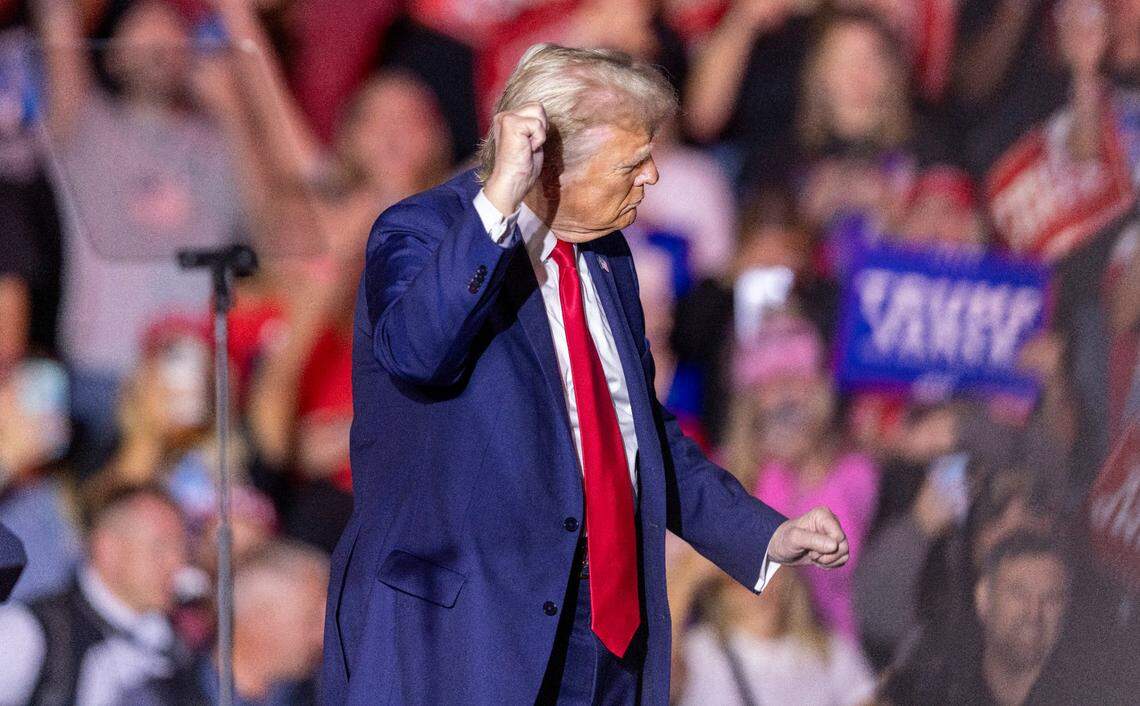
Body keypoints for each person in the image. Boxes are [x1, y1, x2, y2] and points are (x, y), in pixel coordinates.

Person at [323, 43, 850, 705]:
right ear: (551, 160)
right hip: (464, 640)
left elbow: (636, 433)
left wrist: (765, 533)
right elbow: (418, 352)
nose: (653, 177)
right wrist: (499, 207)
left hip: (601, 637)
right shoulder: (422, 230)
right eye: (632, 160)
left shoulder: (607, 258)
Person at [0, 484, 191, 706]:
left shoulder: (174, 647)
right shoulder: (30, 630)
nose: (178, 565)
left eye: (181, 549)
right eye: (160, 548)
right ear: (107, 548)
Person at [128, 540, 329, 706]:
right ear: (260, 619)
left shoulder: (327, 694)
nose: (323, 636)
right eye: (311, 620)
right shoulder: (156, 699)